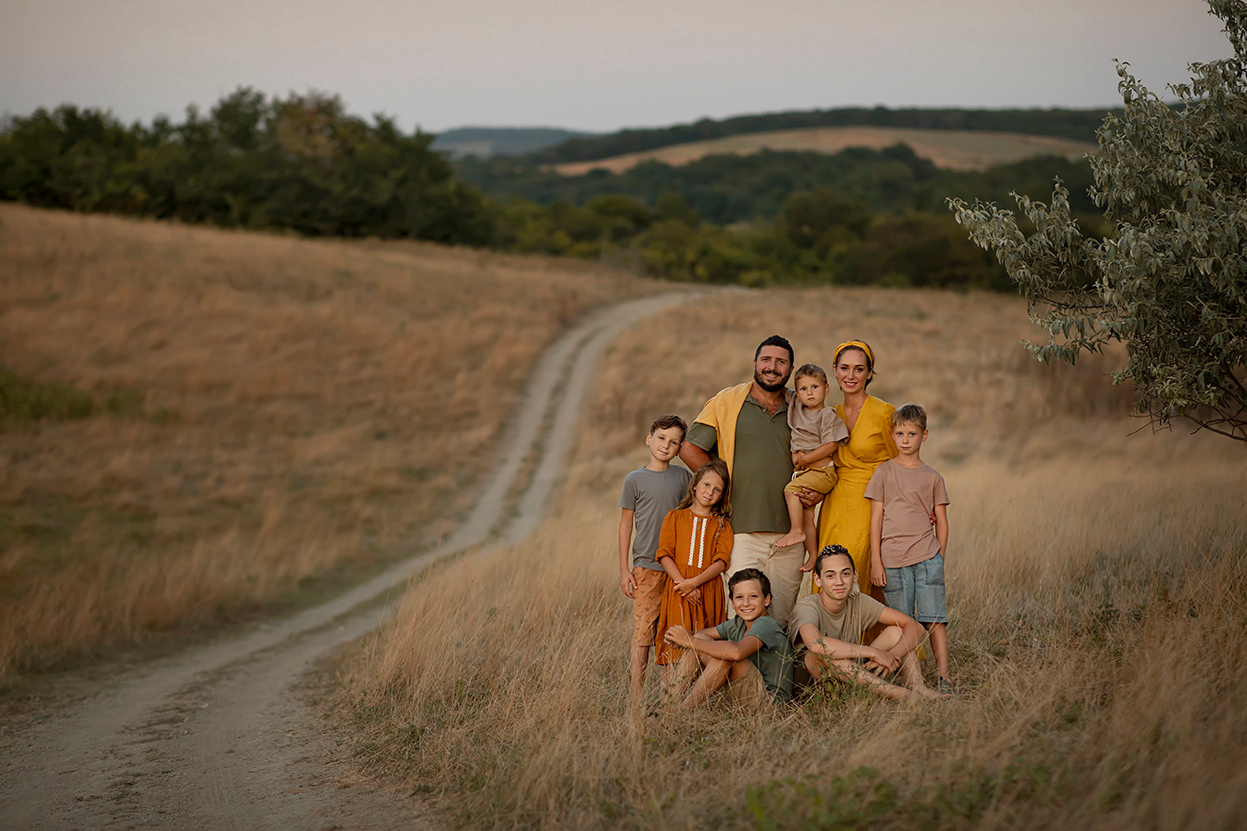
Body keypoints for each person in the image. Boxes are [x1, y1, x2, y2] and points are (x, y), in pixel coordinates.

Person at [680, 335, 805, 626]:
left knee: (781, 618)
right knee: (740, 615)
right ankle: (741, 673)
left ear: (790, 369)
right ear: (755, 363)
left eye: (780, 362)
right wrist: (720, 486)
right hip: (741, 531)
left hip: (791, 535)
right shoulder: (728, 401)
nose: (772, 367)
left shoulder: (802, 406)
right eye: (766, 360)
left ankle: (775, 672)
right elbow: (689, 448)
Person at [866, 403, 952, 695]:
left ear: (924, 435)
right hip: (892, 561)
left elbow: (941, 520)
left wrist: (939, 556)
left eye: (912, 433)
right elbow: (876, 520)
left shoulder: (933, 477)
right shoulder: (884, 473)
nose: (905, 439)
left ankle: (944, 677)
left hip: (927, 559)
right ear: (892, 434)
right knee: (903, 623)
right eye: (900, 433)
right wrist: (876, 562)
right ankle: (911, 679)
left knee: (934, 618)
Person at [788, 545, 937, 701]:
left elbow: (916, 627)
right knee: (826, 654)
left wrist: (892, 656)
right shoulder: (807, 607)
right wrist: (874, 653)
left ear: (855, 576)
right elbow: (816, 644)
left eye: (845, 574)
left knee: (896, 632)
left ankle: (918, 687)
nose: (839, 582)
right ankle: (897, 693)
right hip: (813, 683)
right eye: (830, 576)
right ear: (818, 580)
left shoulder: (858, 601)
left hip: (848, 673)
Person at [618, 413, 694, 702]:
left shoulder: (683, 477)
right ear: (649, 439)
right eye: (661, 438)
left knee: (669, 631)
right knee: (643, 633)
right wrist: (625, 569)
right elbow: (626, 525)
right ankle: (636, 696)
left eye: (674, 442)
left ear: (679, 448)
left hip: (677, 569)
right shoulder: (634, 480)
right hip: (646, 567)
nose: (666, 445)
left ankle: (667, 696)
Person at [814, 340, 898, 598]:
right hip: (834, 505)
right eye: (845, 368)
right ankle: (828, 637)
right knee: (828, 569)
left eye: (859, 369)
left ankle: (871, 636)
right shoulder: (829, 414)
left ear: (870, 373)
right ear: (835, 371)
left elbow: (901, 464)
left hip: (870, 503)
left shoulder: (884, 412)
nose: (851, 376)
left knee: (858, 572)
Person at [661, 568, 795, 709]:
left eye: (753, 596)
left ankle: (684, 710)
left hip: (770, 705)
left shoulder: (767, 624)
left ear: (766, 599)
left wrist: (689, 641)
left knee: (725, 655)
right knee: (701, 639)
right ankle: (666, 706)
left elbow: (736, 652)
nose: (746, 603)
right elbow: (698, 635)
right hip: (745, 696)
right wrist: (679, 638)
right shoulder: (738, 623)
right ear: (732, 602)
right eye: (739, 597)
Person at [653, 460, 734, 672]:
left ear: (722, 495)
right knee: (675, 639)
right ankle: (669, 699)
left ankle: (700, 698)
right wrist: (683, 585)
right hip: (678, 589)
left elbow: (721, 562)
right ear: (695, 484)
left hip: (706, 590)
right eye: (706, 485)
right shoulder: (674, 517)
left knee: (703, 641)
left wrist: (693, 583)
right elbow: (664, 554)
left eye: (717, 489)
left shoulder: (722, 525)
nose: (710, 492)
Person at [774, 363, 849, 566]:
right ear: (797, 393)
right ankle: (813, 556)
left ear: (826, 389)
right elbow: (778, 387)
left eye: (815, 387)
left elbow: (831, 445)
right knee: (807, 515)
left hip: (822, 472)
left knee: (790, 491)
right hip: (808, 473)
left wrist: (805, 459)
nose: (809, 393)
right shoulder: (796, 405)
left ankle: (796, 531)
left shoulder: (826, 415)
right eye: (804, 389)